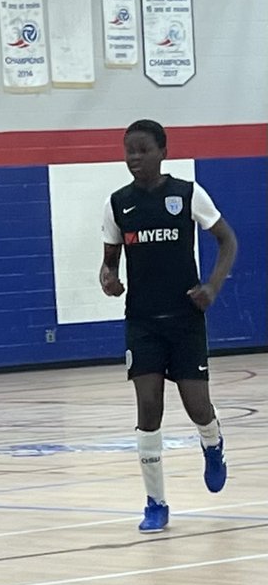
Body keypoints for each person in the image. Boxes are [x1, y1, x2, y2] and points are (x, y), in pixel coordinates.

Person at [100, 119, 238, 533]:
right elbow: (109, 261)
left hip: (184, 321)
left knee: (197, 407)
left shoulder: (187, 194)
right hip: (142, 322)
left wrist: (212, 286)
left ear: (163, 151)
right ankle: (155, 503)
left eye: (142, 150)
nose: (134, 159)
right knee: (148, 409)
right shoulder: (117, 203)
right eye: (129, 151)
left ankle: (213, 445)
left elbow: (227, 240)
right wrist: (108, 277)